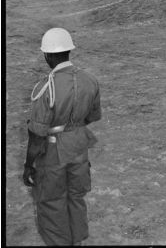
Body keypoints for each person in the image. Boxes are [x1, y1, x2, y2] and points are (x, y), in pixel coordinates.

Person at [23, 28, 101, 246]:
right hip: (79, 147)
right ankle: (77, 241)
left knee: (51, 201)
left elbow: (37, 135)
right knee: (76, 197)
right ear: (69, 51)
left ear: (47, 55)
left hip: (53, 151)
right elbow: (92, 117)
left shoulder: (45, 87)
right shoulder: (90, 80)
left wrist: (28, 165)